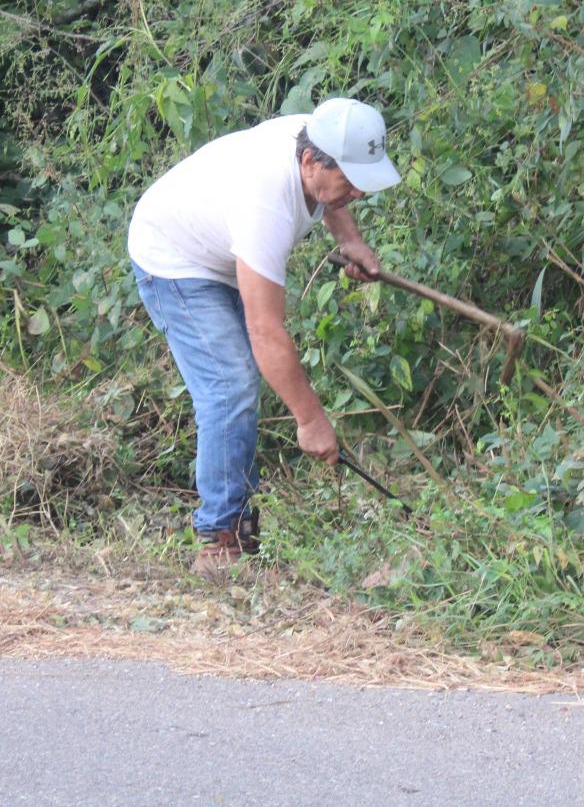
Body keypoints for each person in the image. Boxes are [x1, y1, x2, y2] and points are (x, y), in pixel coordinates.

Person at [127, 97, 402, 574]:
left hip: (217, 242)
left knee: (240, 380)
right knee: (230, 385)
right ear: (311, 160)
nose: (359, 193)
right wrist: (311, 420)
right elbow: (266, 332)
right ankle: (219, 541)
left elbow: (330, 193)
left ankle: (241, 522)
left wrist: (349, 239)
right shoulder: (264, 204)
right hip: (173, 257)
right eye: (353, 181)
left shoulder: (315, 135)